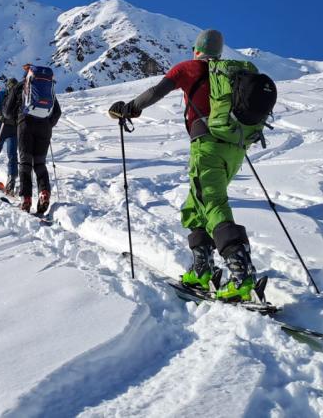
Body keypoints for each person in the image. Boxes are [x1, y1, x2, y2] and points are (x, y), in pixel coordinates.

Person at [108, 29, 263, 302]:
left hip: (208, 145)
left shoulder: (189, 67)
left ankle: (241, 275)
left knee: (213, 203)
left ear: (197, 49)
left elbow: (156, 91)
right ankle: (202, 269)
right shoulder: (231, 72)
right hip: (236, 148)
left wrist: (129, 108)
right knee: (196, 204)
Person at [4, 64, 61, 215]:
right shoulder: (48, 88)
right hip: (44, 127)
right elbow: (57, 112)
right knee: (40, 163)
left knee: (25, 163)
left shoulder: (20, 86)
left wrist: (18, 119)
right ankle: (44, 193)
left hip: (25, 125)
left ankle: (26, 199)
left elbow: (8, 113)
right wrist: (48, 124)